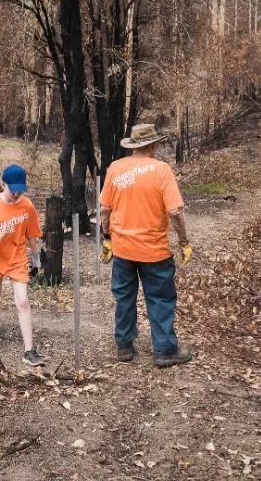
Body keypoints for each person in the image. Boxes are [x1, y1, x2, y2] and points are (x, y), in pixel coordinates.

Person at [99, 124, 193, 368]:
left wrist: (106, 237)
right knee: (160, 299)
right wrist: (184, 242)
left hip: (123, 248)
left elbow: (105, 209)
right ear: (152, 145)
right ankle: (164, 350)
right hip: (155, 250)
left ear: (133, 145)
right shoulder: (161, 170)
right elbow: (174, 211)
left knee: (124, 296)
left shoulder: (115, 168)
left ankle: (124, 346)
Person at [0, 164, 45, 366]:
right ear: (3, 184)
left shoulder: (27, 205)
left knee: (23, 301)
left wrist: (36, 257)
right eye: (14, 189)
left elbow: (31, 233)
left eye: (21, 189)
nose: (17, 193)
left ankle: (29, 351)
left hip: (18, 259)